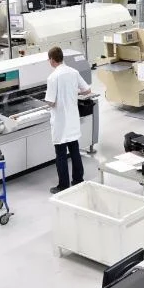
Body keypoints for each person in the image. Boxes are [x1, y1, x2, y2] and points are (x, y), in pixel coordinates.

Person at [44, 46, 91, 193]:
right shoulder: (73, 72)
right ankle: (78, 179)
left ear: (52, 60)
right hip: (72, 119)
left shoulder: (53, 77)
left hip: (60, 121)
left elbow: (51, 102)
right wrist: (73, 94)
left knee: (61, 155)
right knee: (75, 150)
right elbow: (87, 90)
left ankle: (63, 185)